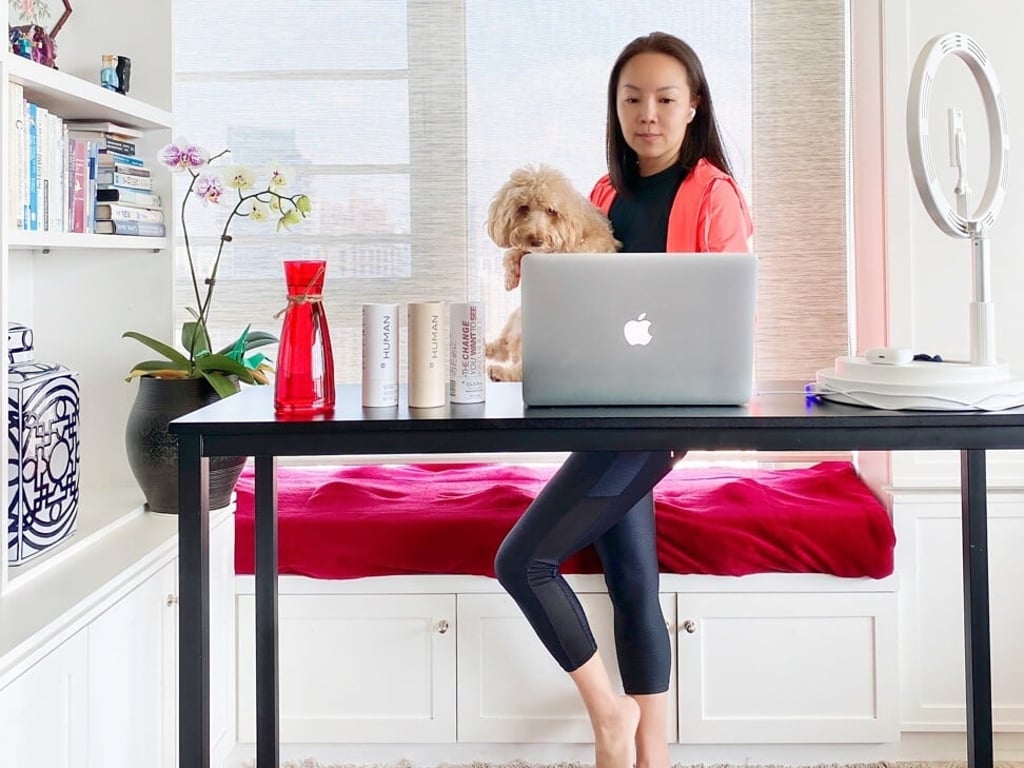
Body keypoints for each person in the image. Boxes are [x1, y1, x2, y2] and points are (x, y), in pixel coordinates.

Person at [493, 31, 753, 768]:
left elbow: (728, 319)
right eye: (632, 98)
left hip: (663, 418)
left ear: (693, 105)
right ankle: (653, 756)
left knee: (522, 561)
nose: (648, 114)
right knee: (635, 584)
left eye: (666, 99)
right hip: (601, 407)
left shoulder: (715, 196)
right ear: (615, 106)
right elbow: (582, 306)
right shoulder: (602, 194)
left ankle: (611, 716)